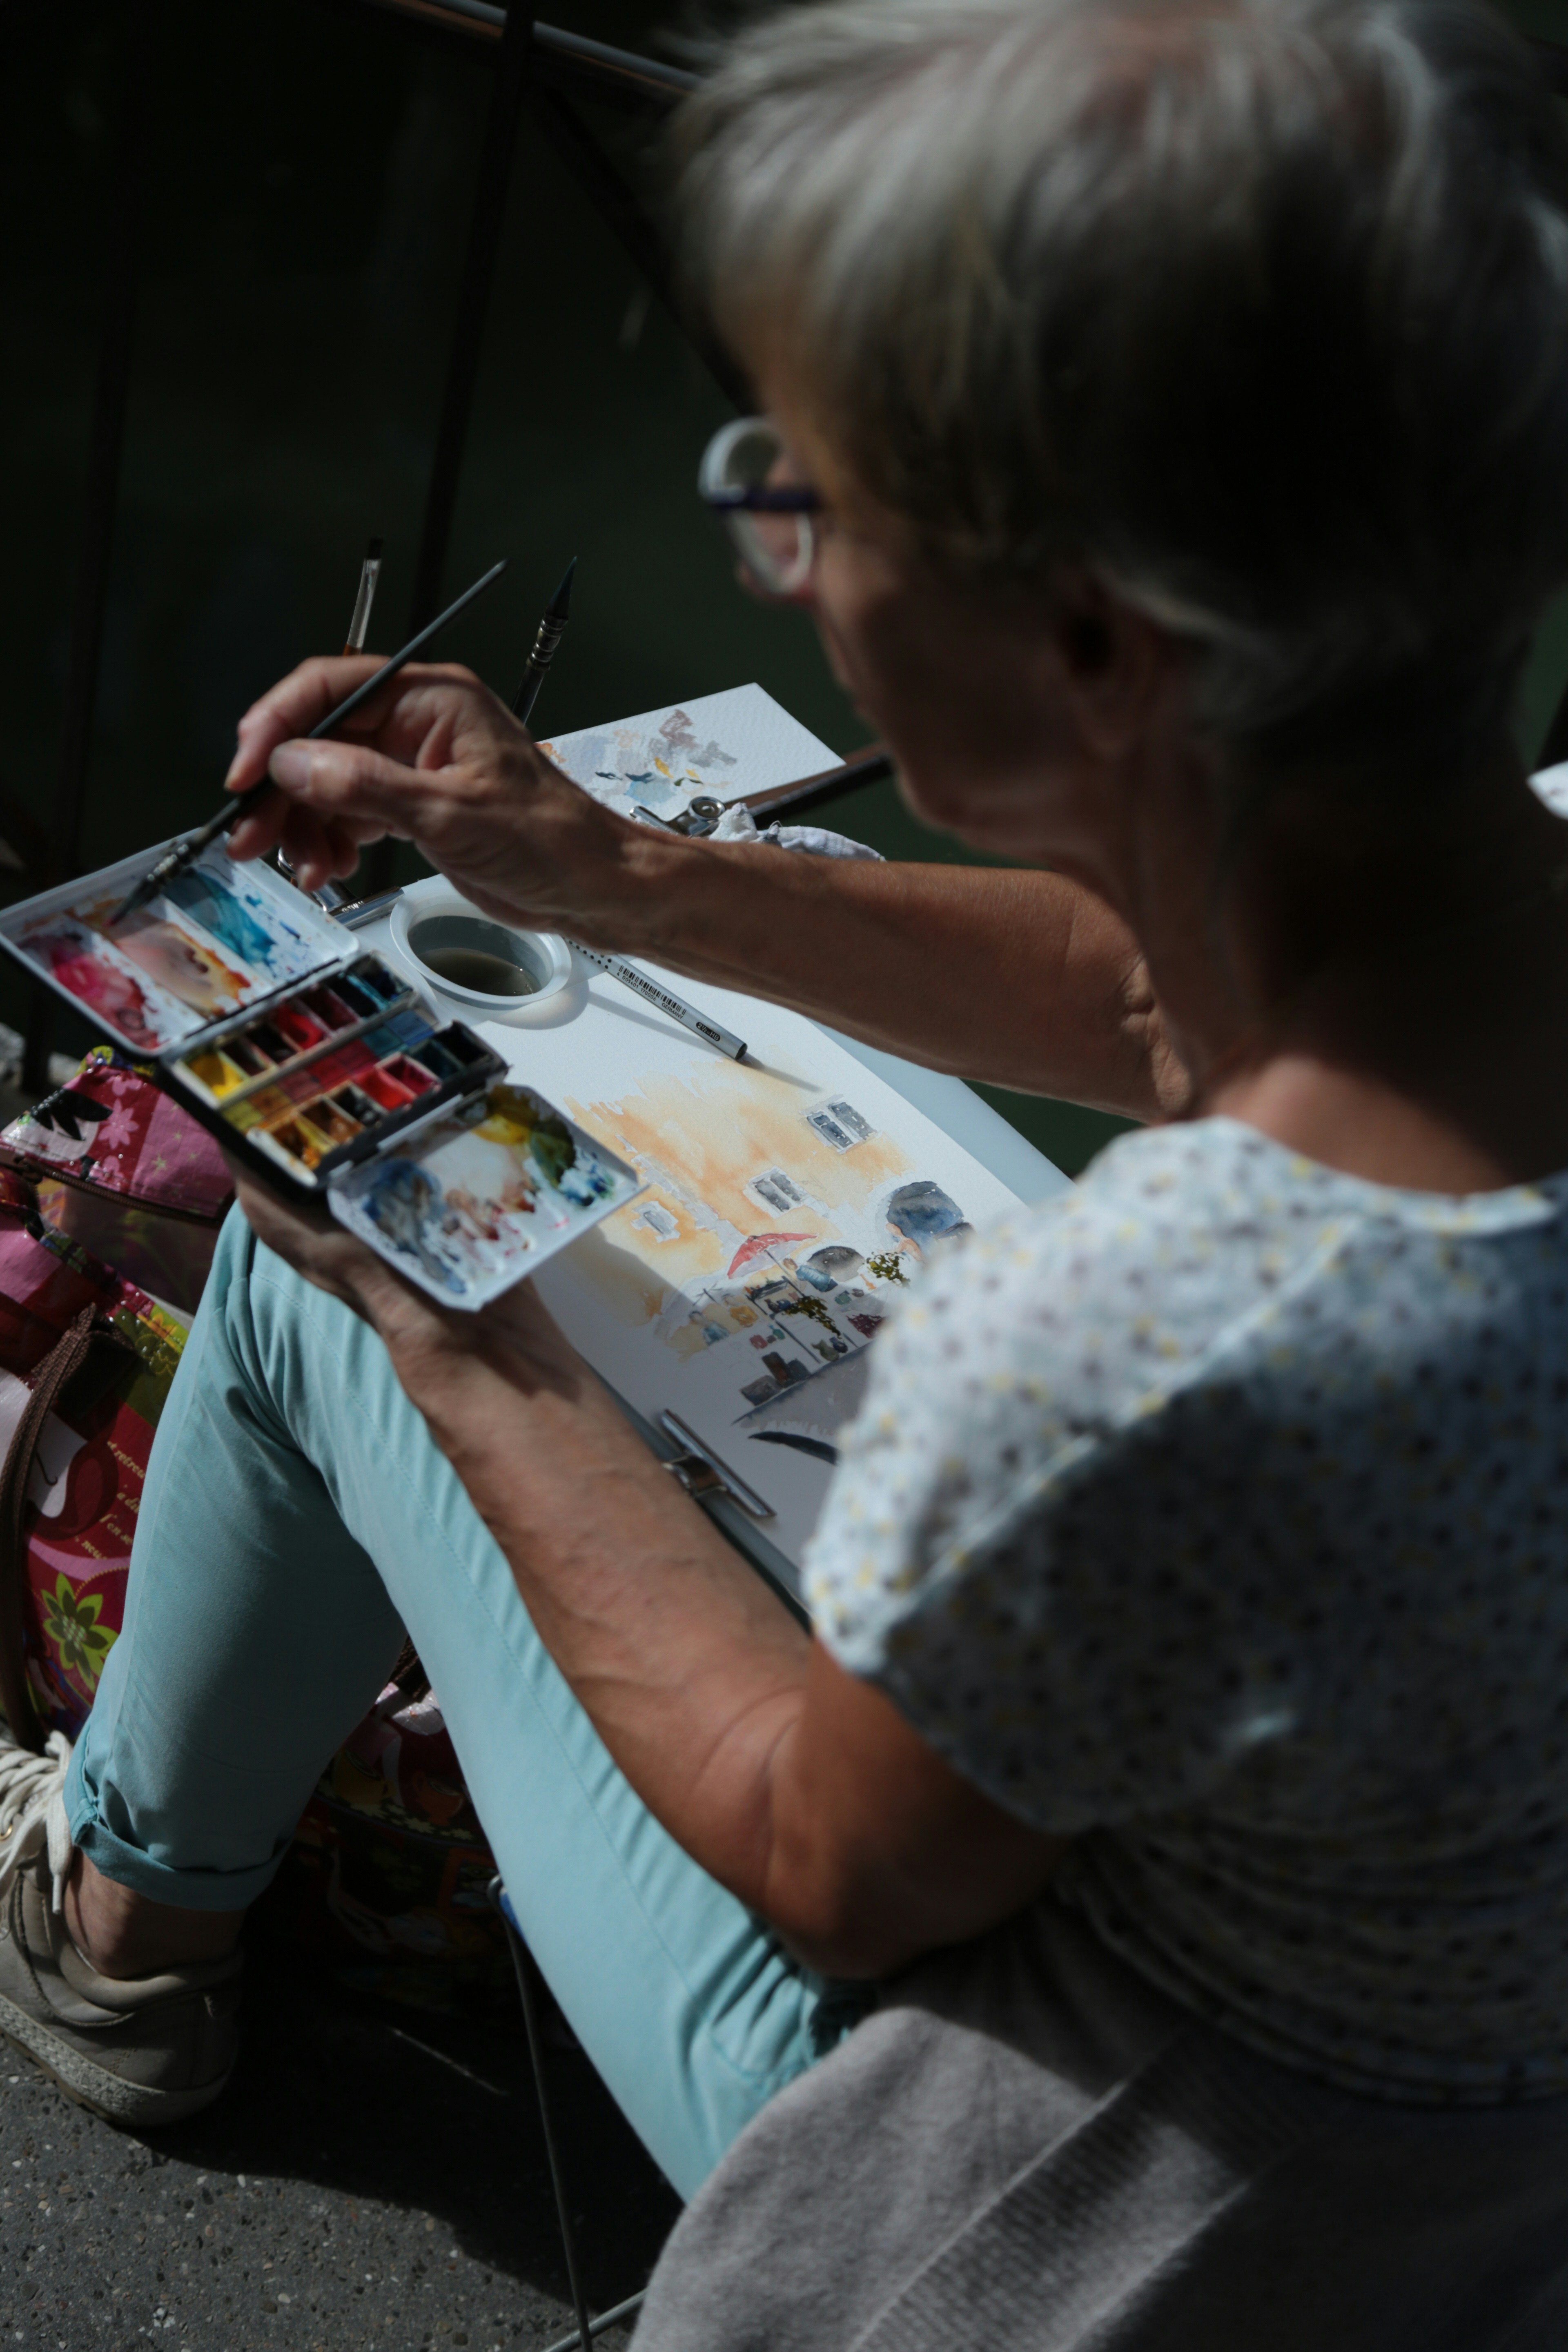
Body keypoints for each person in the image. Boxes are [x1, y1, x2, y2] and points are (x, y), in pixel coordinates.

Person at [5, 0, 1568, 2341]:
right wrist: (615, 872)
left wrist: (457, 1329)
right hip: (1464, 2143)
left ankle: (118, 1935)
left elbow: (830, 1865)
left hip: (1077, 2232)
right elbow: (1175, 1000)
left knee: (311, 1286)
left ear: (1091, 638)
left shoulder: (1178, 1333)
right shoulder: (1487, 900)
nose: (771, 562)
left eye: (807, 495)